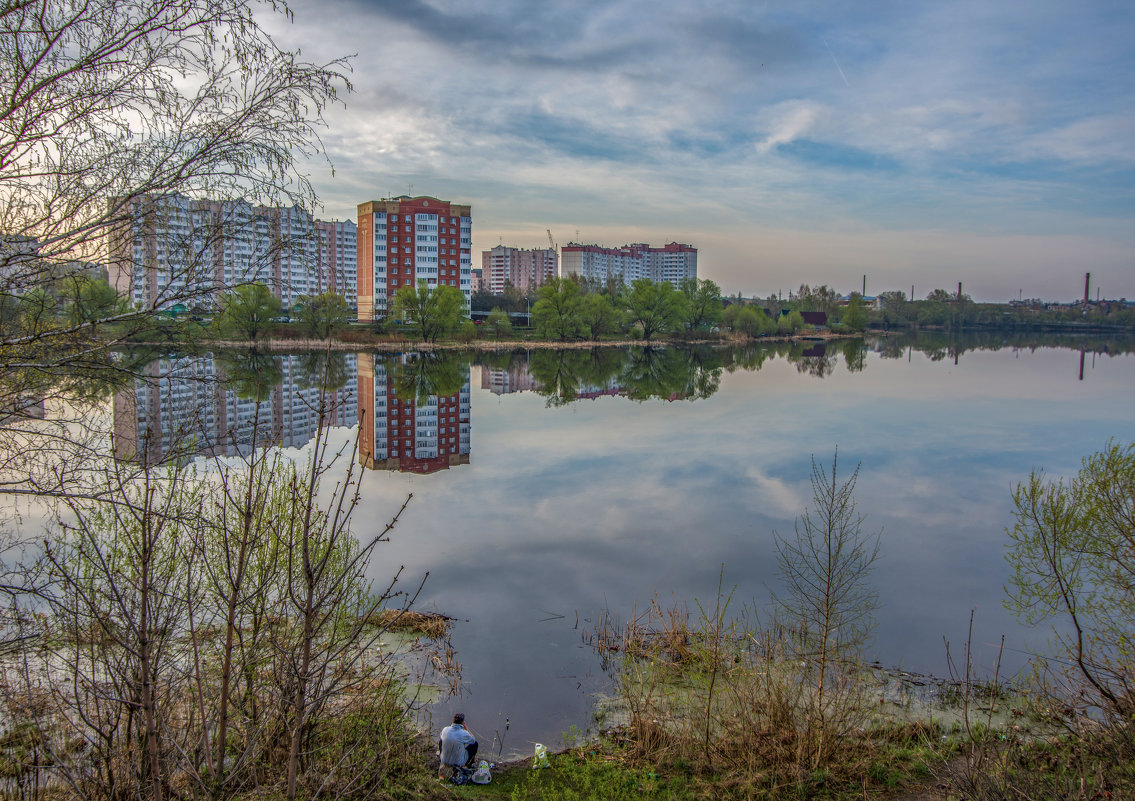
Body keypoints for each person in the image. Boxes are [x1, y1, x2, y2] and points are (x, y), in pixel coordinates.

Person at [438, 713, 478, 780]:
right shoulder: (463, 733)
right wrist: (466, 728)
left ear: (452, 721)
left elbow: (442, 738)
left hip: (444, 760)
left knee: (441, 741)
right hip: (458, 763)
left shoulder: (445, 729)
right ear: (462, 723)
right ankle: (468, 764)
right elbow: (473, 740)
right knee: (475, 744)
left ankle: (443, 757)